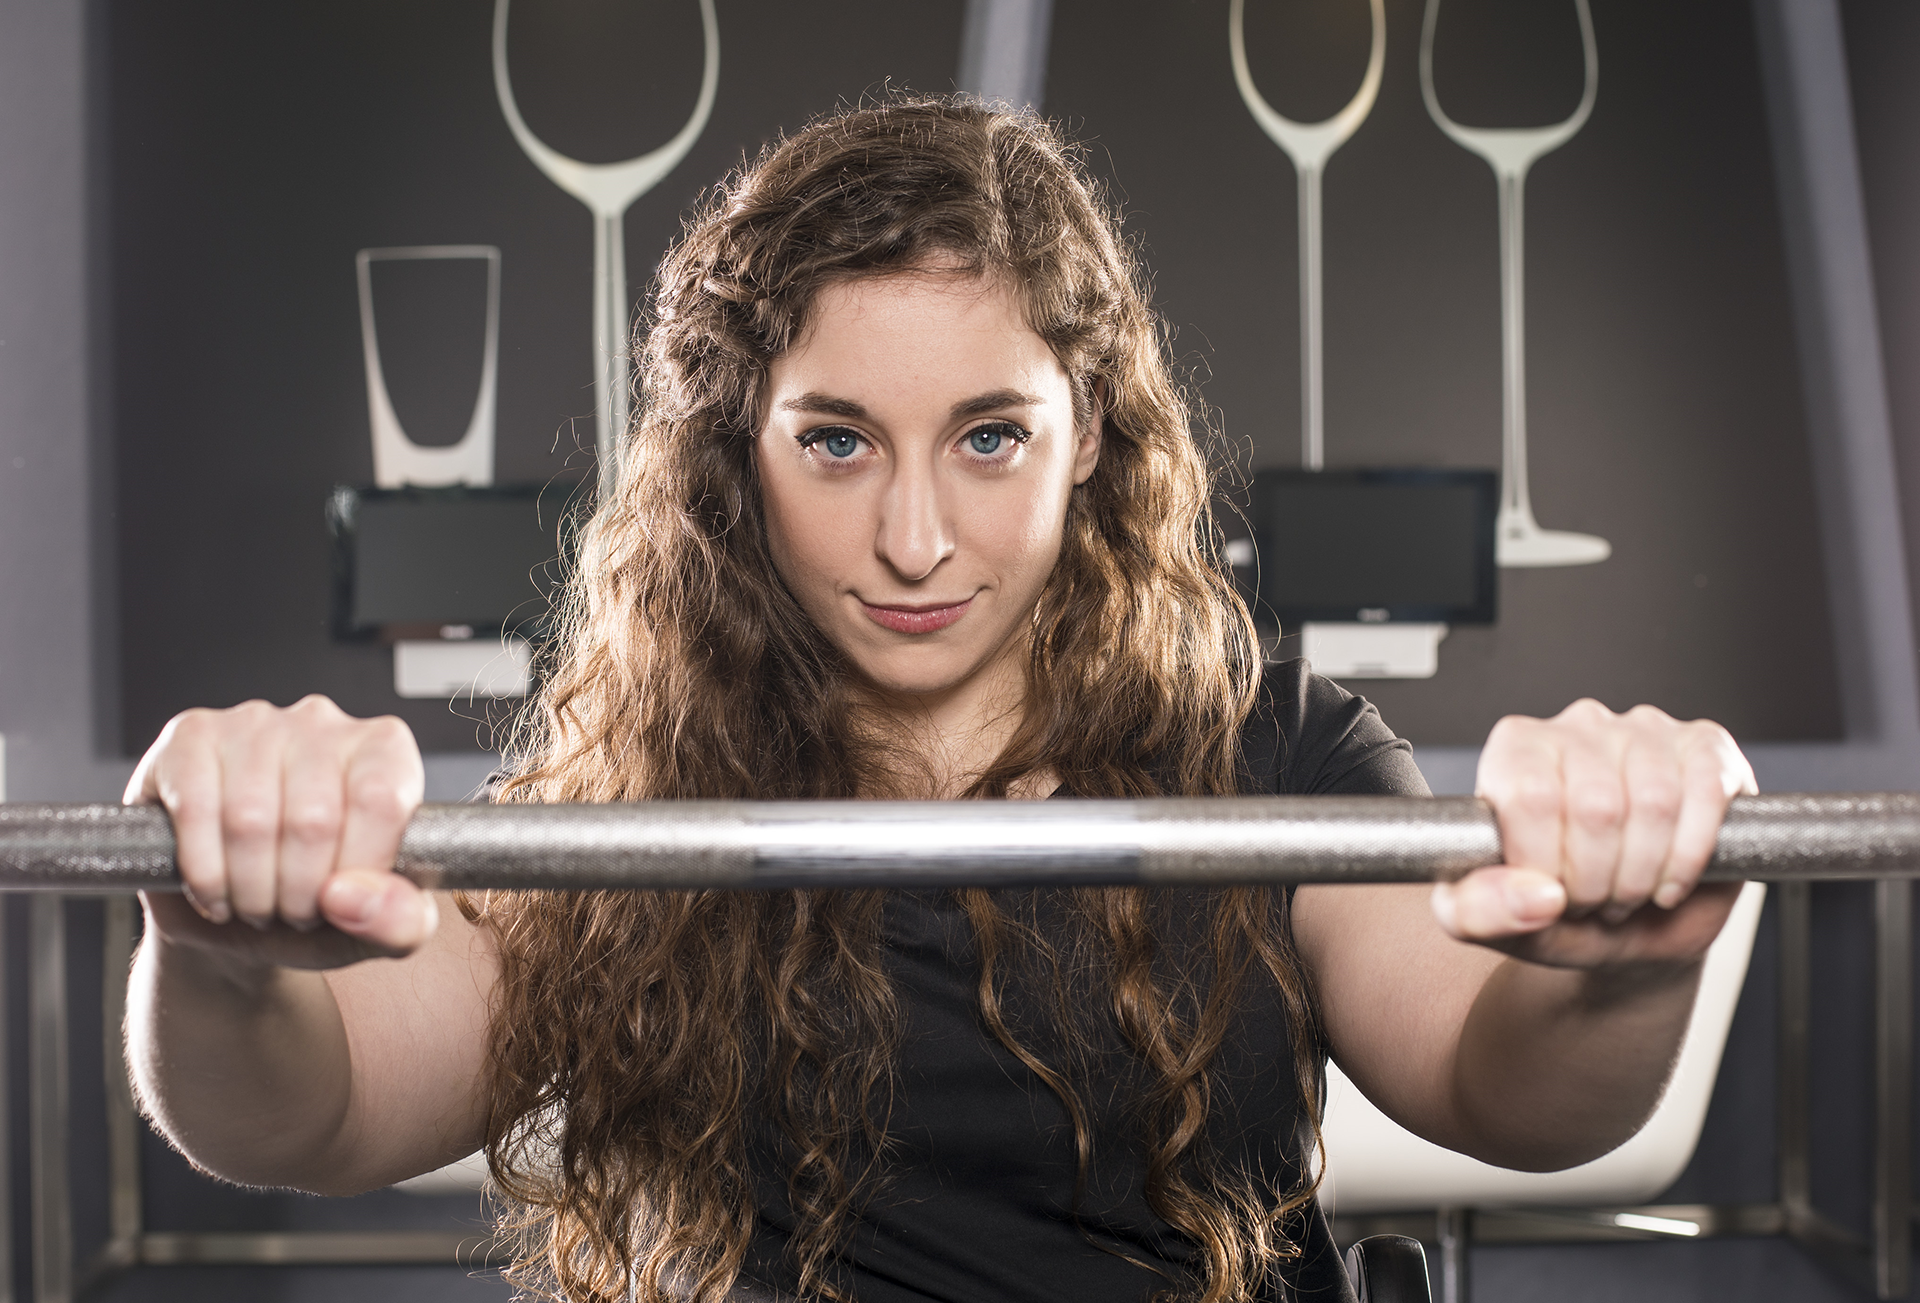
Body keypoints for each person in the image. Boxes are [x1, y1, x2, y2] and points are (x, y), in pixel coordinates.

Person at [123, 98, 1754, 1303]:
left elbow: (1503, 1085)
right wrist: (218, 955)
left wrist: (1614, 977)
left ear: (1089, 437)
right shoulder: (635, 804)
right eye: (837, 440)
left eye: (992, 437)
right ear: (735, 455)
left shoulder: (1271, 749)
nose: (917, 538)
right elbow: (308, 1113)